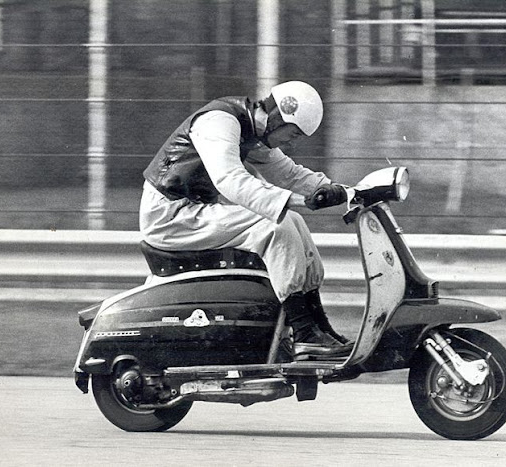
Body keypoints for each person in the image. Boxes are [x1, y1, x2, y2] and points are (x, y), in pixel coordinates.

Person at [140, 81, 351, 360]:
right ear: (277, 118)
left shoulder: (251, 131)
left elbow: (288, 174)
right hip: (171, 217)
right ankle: (303, 333)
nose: (292, 143)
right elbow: (230, 180)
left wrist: (347, 193)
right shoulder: (220, 122)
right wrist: (297, 200)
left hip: (193, 212)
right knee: (276, 227)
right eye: (293, 134)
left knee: (295, 222)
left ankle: (318, 327)